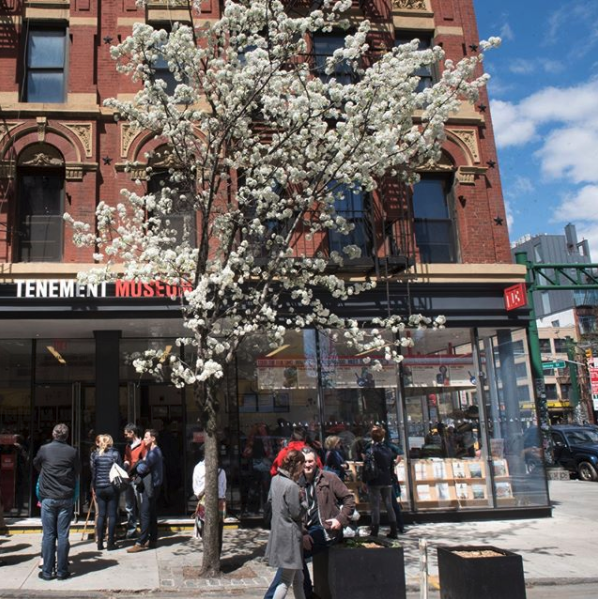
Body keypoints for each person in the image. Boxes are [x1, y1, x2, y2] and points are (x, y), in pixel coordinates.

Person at [264, 446, 355, 599]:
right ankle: (305, 595)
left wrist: (339, 519)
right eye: (305, 462)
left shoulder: (329, 478)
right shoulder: (295, 482)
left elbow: (349, 499)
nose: (307, 465)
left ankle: (271, 596)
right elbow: (295, 513)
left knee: (292, 558)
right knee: (295, 562)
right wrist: (303, 532)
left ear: (316, 462)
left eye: (311, 461)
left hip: (326, 529)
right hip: (304, 531)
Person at [33, 423, 80, 581]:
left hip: (48, 498)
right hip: (65, 497)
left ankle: (47, 571)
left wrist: (45, 472)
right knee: (63, 535)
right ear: (67, 436)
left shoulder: (44, 449)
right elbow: (77, 471)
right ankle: (61, 570)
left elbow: (35, 463)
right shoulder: (72, 451)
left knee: (48, 535)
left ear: (54, 434)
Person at [265, 449, 307, 599]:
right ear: (298, 464)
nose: (304, 469)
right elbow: (297, 513)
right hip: (290, 537)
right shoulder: (292, 486)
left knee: (298, 578)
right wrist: (304, 502)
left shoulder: (275, 480)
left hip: (278, 531)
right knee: (285, 581)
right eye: (303, 465)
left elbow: (270, 501)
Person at [127, 429, 164, 553]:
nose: (144, 439)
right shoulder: (150, 451)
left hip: (151, 486)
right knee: (152, 512)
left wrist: (140, 464)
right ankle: (153, 539)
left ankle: (141, 541)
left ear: (153, 439)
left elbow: (142, 469)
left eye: (146, 437)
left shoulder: (154, 453)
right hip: (153, 485)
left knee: (144, 512)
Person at [364, 425, 398, 539]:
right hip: (387, 479)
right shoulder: (388, 450)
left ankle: (375, 531)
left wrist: (364, 481)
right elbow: (392, 464)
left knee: (375, 506)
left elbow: (367, 467)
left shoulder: (371, 450)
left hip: (375, 480)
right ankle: (394, 530)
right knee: (389, 505)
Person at [90, 434, 122, 551]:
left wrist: (93, 486)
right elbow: (120, 468)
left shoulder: (95, 454)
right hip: (112, 486)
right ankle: (110, 542)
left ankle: (99, 543)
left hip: (99, 486)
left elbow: (93, 472)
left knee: (101, 515)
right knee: (112, 515)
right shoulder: (115, 453)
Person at [192, 446, 227, 552]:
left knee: (205, 530)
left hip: (204, 501)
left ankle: (208, 553)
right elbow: (223, 489)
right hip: (219, 503)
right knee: (218, 531)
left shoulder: (198, 468)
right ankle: (217, 555)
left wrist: (200, 494)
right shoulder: (221, 471)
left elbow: (196, 489)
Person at [123, 424, 147, 539]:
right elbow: (127, 458)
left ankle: (143, 530)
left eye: (127, 433)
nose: (125, 435)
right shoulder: (128, 446)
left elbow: (144, 461)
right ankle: (131, 530)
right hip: (128, 477)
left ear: (132, 432)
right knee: (129, 506)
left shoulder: (143, 445)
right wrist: (125, 464)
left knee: (140, 504)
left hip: (137, 478)